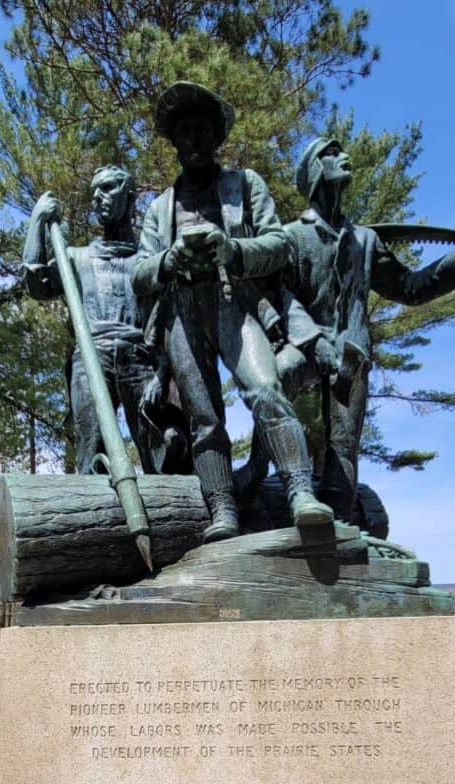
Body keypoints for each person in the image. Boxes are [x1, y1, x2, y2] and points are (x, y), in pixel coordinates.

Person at [132, 81, 332, 542]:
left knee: (265, 388)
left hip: (233, 302)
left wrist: (233, 250)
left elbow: (279, 244)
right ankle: (222, 509)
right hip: (182, 314)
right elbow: (139, 273)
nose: (193, 139)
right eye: (184, 131)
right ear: (174, 141)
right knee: (204, 418)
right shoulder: (160, 208)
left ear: (216, 136)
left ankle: (300, 492)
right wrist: (170, 259)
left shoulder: (244, 185)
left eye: (202, 129)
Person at [277, 137, 455, 522]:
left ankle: (338, 532)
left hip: (351, 352)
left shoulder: (365, 240)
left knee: (343, 446)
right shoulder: (292, 236)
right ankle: (267, 479)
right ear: (315, 171)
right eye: (332, 154)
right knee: (276, 382)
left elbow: (410, 287)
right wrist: (311, 339)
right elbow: (280, 296)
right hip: (306, 344)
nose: (345, 156)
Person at [22, 164, 173, 474]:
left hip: (140, 358)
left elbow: (170, 323)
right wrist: (37, 220)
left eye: (106, 189)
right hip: (90, 359)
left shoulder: (147, 262)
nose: (97, 198)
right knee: (91, 451)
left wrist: (162, 373)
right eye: (93, 192)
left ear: (130, 197)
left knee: (163, 451)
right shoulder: (76, 259)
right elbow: (36, 284)